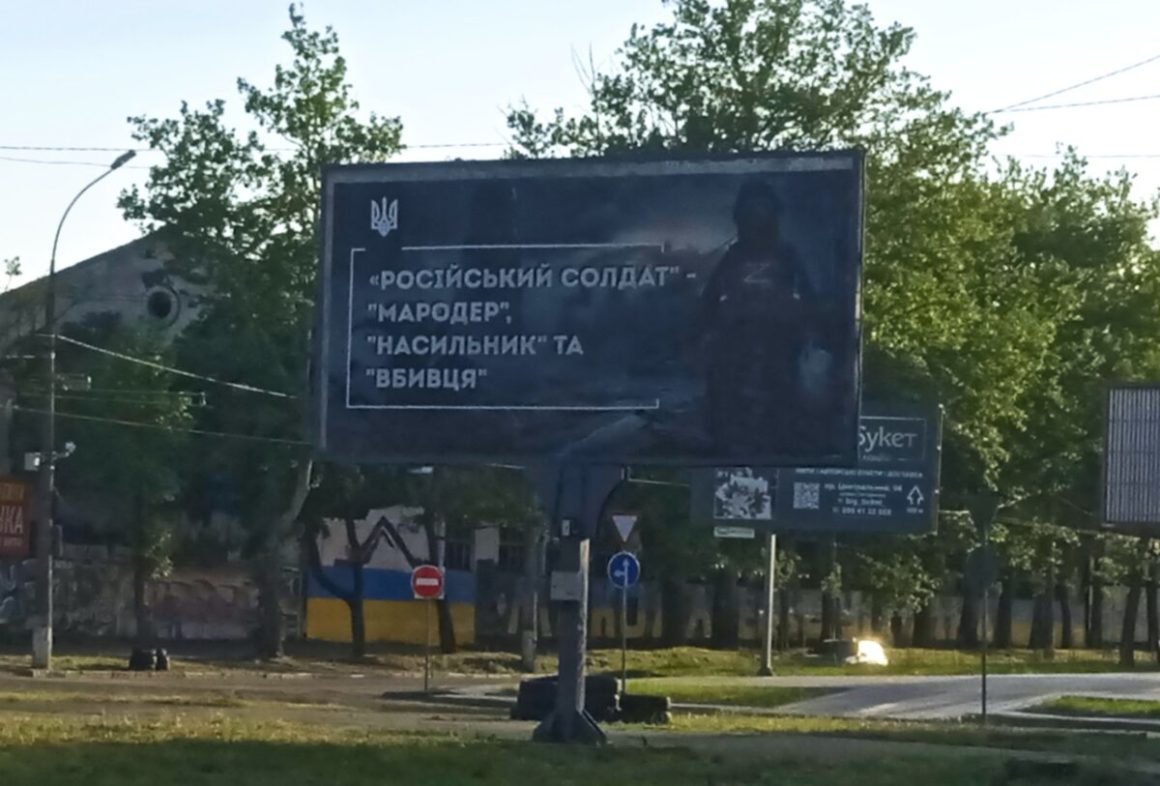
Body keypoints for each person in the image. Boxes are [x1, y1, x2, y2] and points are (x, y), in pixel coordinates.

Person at [700, 177, 832, 457]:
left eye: (762, 212)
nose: (757, 220)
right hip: (737, 345)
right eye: (751, 213)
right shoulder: (732, 256)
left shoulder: (787, 256)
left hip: (778, 344)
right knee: (730, 405)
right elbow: (709, 302)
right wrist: (702, 335)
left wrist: (811, 334)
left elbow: (809, 300)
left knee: (780, 406)